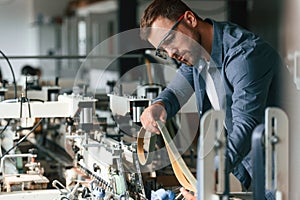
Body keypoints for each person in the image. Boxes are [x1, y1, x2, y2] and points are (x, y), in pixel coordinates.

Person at [139, 0, 284, 199]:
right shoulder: (197, 55)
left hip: (285, 166)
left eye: (170, 39)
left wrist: (209, 178)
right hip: (255, 163)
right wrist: (159, 105)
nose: (171, 54)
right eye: (163, 50)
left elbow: (247, 124)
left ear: (189, 19)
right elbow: (176, 92)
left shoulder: (244, 55)